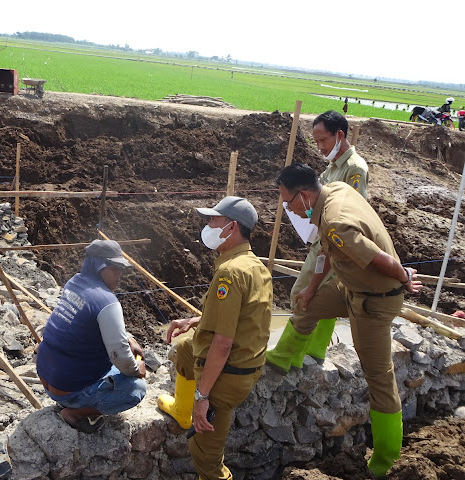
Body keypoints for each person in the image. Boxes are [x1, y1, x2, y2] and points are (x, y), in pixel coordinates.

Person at [275, 163, 422, 479]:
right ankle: (285, 357)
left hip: (373, 301)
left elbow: (380, 259)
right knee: (306, 304)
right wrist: (312, 288)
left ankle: (384, 459)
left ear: (303, 196)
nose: (288, 209)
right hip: (351, 286)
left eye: (288, 202)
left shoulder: (335, 221)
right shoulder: (335, 192)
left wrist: (405, 275)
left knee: (379, 376)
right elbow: (328, 252)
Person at [157, 196, 272, 480]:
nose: (207, 226)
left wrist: (203, 397)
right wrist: (195, 320)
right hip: (247, 363)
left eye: (212, 220)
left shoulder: (229, 273)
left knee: (206, 459)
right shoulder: (252, 265)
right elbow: (243, 317)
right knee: (185, 347)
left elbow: (223, 343)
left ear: (231, 227)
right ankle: (182, 412)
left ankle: (196, 416)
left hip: (229, 373)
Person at [267, 110, 369, 372]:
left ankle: (287, 356)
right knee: (321, 297)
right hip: (323, 239)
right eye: (317, 141)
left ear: (340, 135)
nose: (320, 147)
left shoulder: (354, 168)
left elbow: (351, 210)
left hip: (334, 243)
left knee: (303, 294)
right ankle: (313, 351)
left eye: (323, 140)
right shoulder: (333, 167)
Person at [36, 240, 147, 434]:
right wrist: (138, 369)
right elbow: (120, 357)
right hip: (68, 391)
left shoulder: (75, 283)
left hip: (49, 378)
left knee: (112, 367)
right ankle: (76, 412)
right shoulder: (107, 301)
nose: (120, 274)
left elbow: (88, 325)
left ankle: (73, 400)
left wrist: (128, 341)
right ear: (99, 267)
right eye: (115, 268)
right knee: (136, 389)